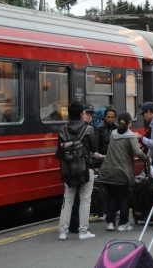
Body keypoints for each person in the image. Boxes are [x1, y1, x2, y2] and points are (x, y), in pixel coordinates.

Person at [97, 111, 147, 231]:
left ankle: (110, 222)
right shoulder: (130, 136)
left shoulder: (113, 134)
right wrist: (147, 159)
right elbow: (138, 152)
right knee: (124, 197)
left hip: (109, 170)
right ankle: (123, 223)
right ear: (130, 122)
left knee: (111, 197)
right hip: (123, 172)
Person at [57, 101, 99, 240]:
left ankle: (63, 232)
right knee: (85, 200)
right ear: (82, 114)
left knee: (67, 200)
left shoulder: (62, 130)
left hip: (68, 170)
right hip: (85, 169)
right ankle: (83, 231)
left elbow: (59, 151)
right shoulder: (88, 129)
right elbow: (94, 148)